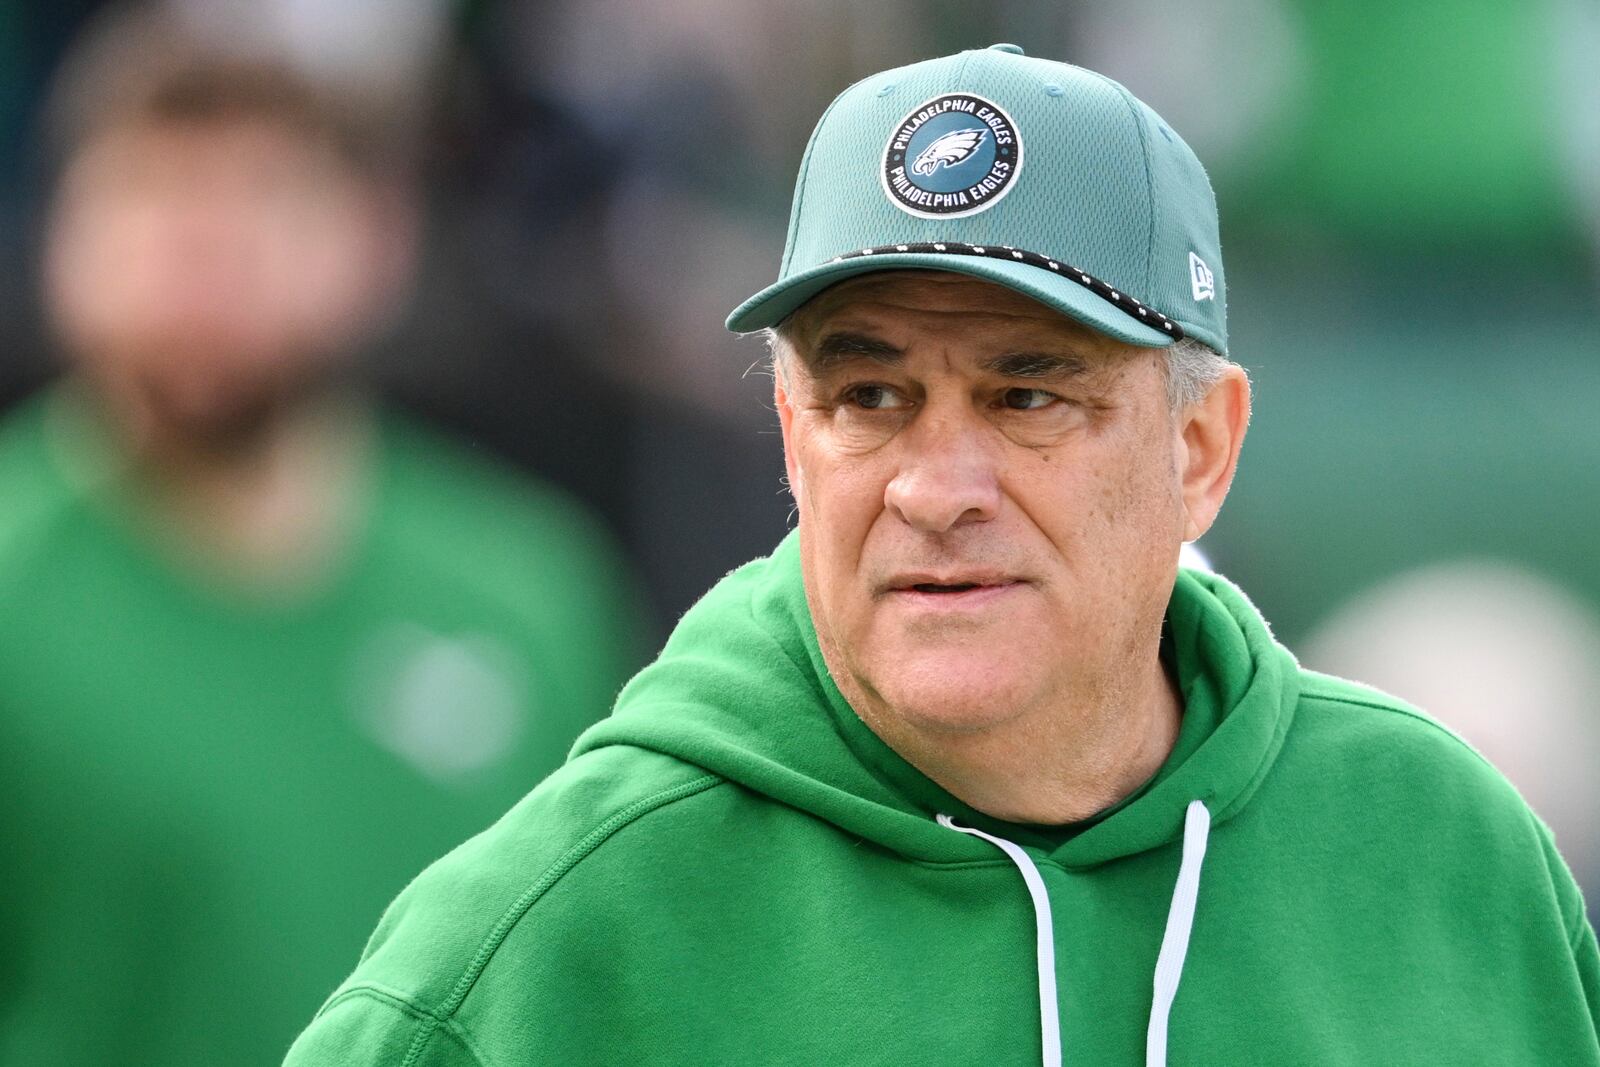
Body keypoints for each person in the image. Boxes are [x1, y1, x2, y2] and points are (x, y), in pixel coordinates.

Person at [285, 45, 1600, 1065]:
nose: (934, 485)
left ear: (1200, 447)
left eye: (1029, 397)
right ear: (795, 440)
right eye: (870, 397)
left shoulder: (1444, 851)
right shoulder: (559, 933)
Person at [0, 8, 643, 1065]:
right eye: (147, 190)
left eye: (261, 194)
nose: (197, 247)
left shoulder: (527, 594)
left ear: (380, 236)